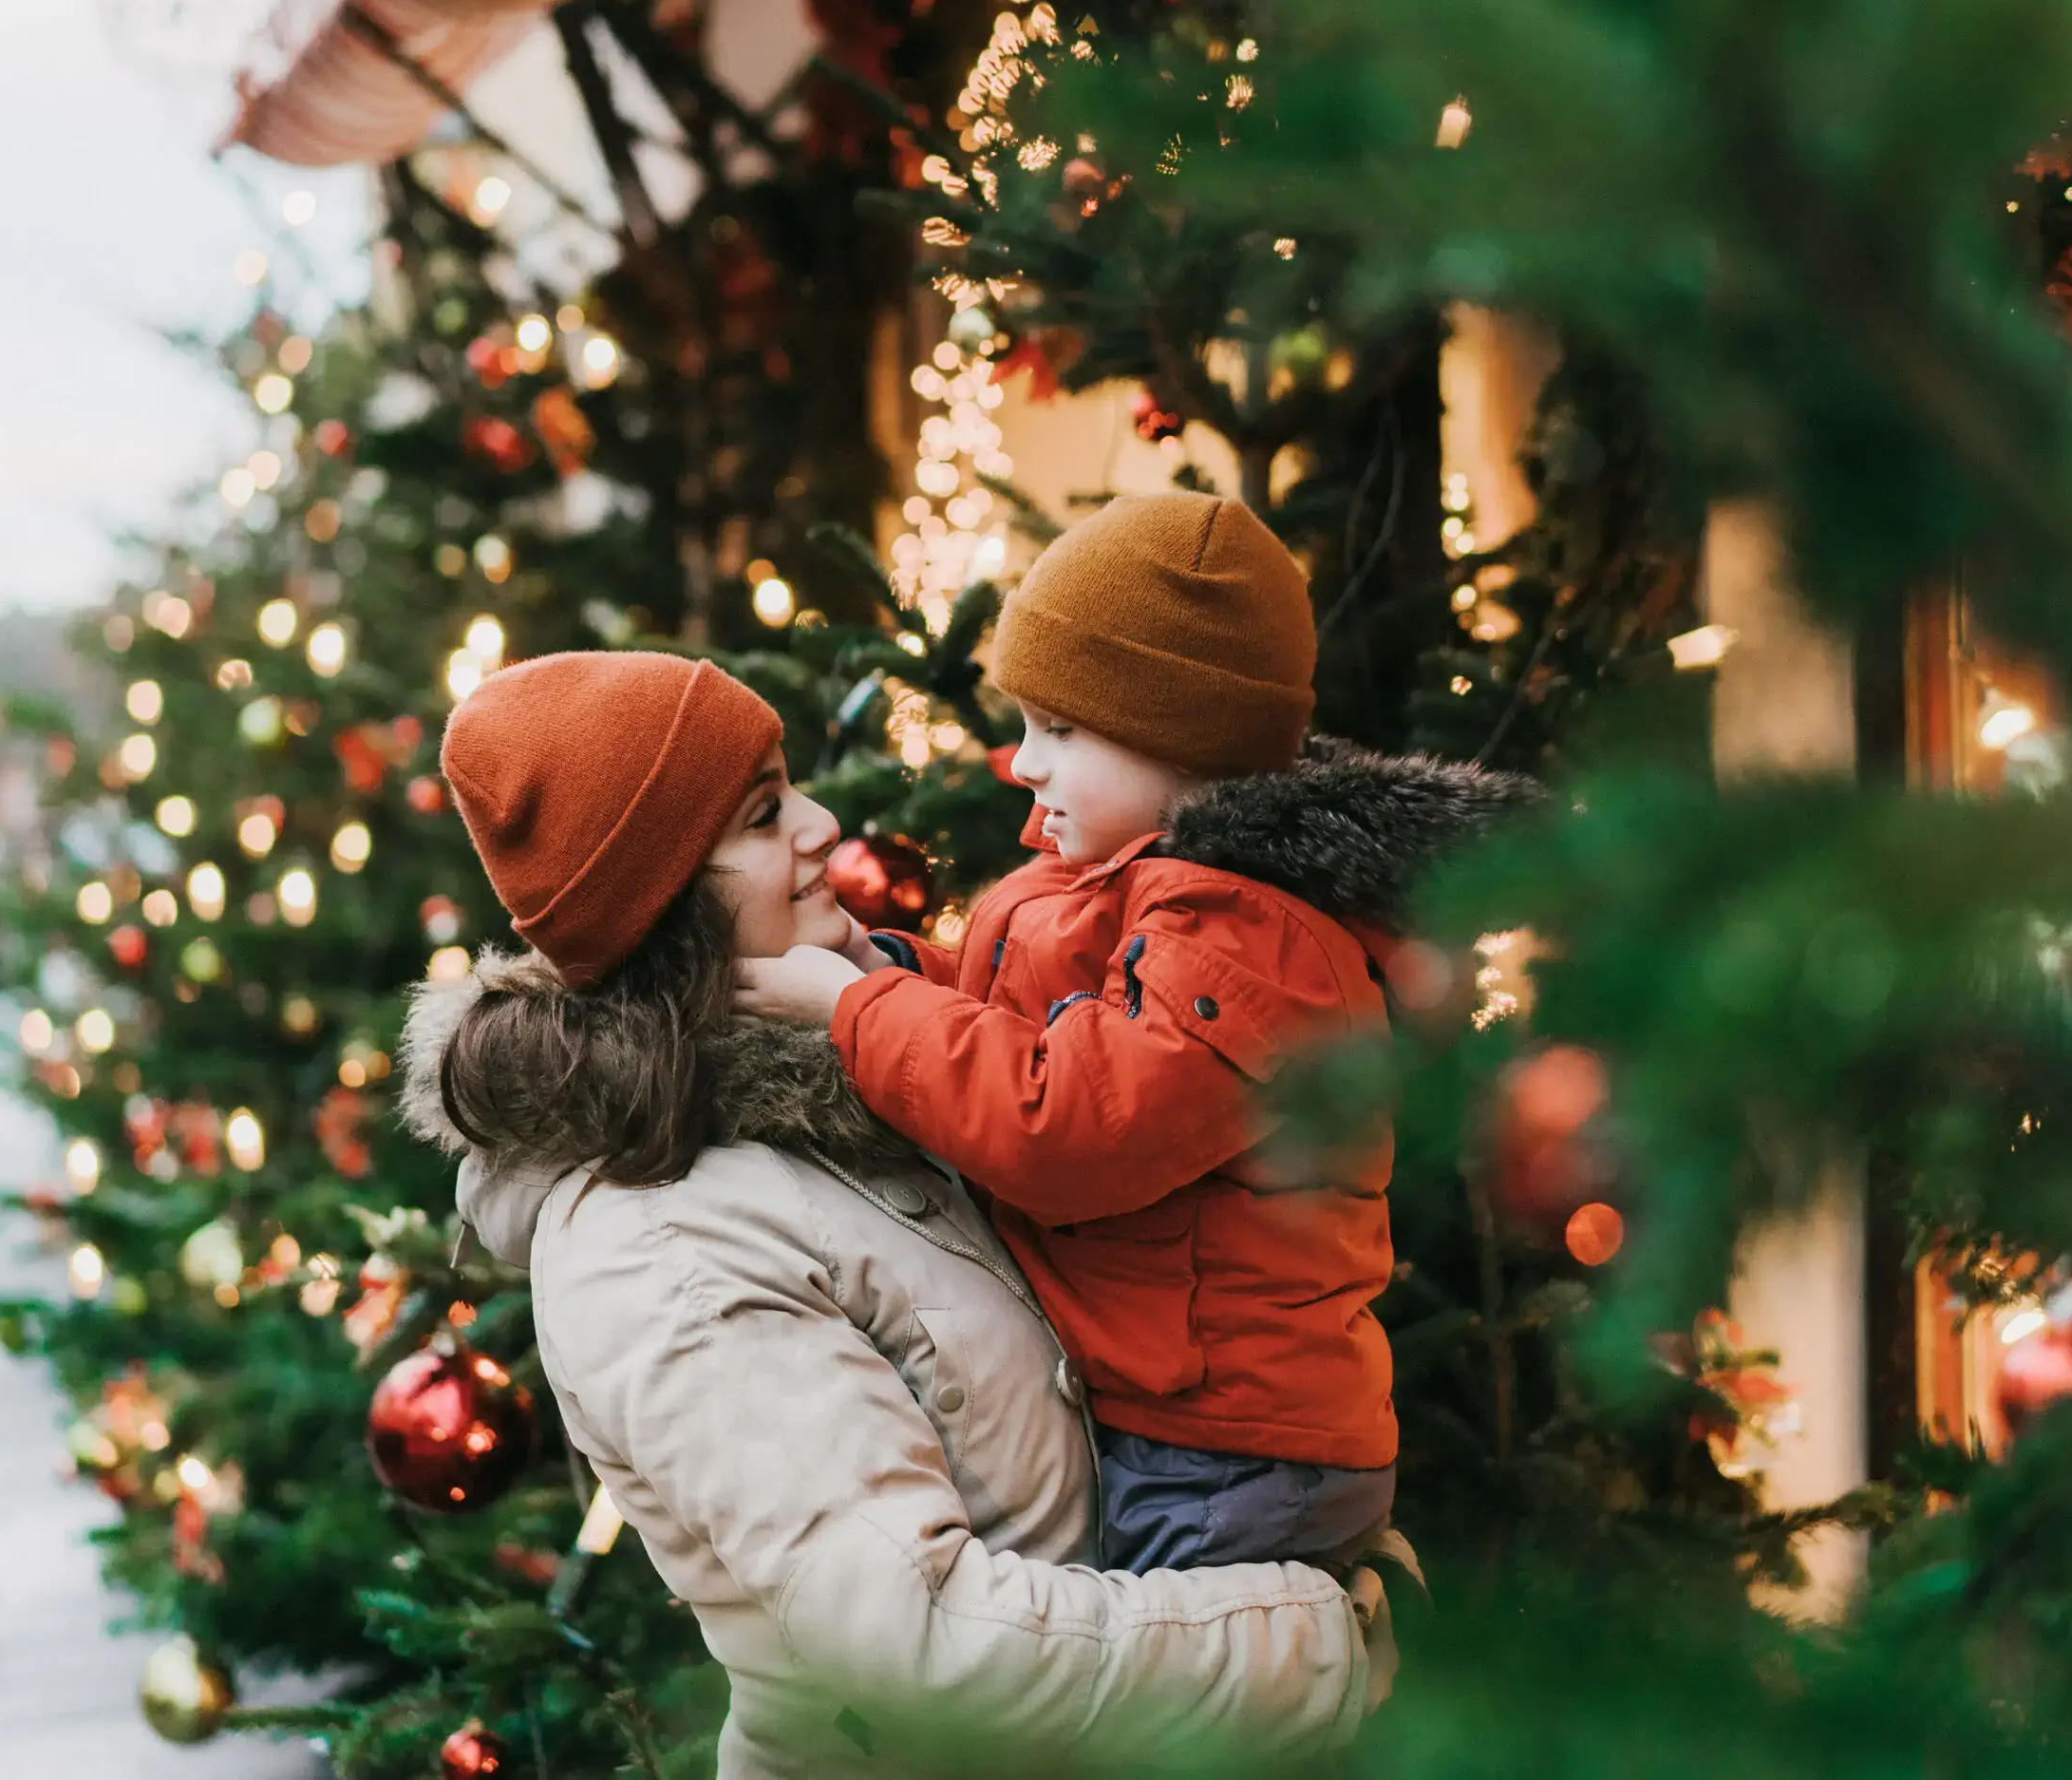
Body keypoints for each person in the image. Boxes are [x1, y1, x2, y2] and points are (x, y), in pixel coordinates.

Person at [400, 649, 1390, 1780]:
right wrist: (1319, 1641)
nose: (824, 825)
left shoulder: (858, 1088)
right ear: (664, 904)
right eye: (768, 815)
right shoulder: (657, 1246)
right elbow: (920, 1644)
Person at [737, 494, 1535, 1571]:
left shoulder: (1245, 936)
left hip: (1231, 1454)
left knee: (1171, 1718)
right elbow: (1012, 1025)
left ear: (1183, 738)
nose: (1023, 762)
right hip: (1172, 1423)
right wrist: (881, 972)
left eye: (1060, 731)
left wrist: (853, 1010)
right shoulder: (1125, 888)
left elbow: (1069, 1125)